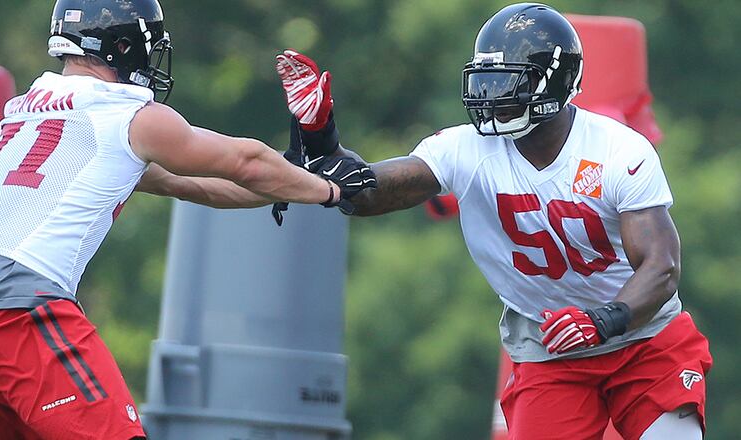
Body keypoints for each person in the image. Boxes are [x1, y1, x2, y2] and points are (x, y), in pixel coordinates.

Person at [275, 3, 712, 439]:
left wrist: (602, 319)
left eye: (508, 81)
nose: (492, 96)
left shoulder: (618, 150)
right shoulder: (464, 149)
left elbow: (661, 266)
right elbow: (368, 190)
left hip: (642, 337)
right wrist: (321, 140)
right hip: (550, 345)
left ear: (555, 81)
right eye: (486, 80)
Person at [0, 0, 376, 438]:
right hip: (20, 308)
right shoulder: (125, 115)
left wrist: (294, 180)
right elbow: (245, 161)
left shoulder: (26, 111)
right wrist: (332, 190)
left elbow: (195, 186)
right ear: (123, 45)